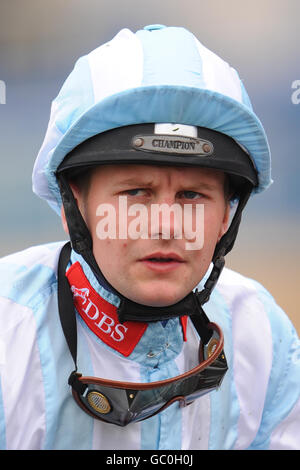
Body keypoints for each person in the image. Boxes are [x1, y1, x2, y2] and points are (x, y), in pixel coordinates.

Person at [0, 24, 299, 451]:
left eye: (192, 195)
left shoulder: (265, 337)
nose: (166, 225)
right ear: (75, 206)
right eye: (135, 193)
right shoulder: (7, 337)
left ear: (226, 217)